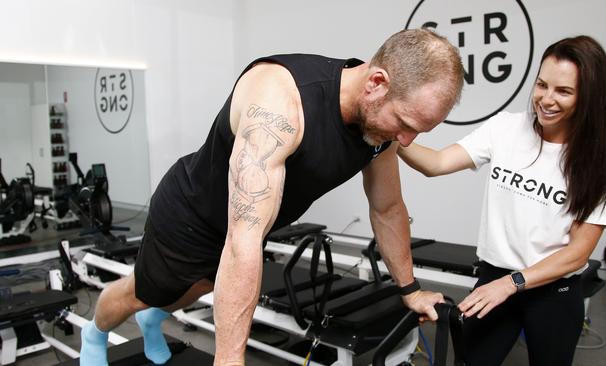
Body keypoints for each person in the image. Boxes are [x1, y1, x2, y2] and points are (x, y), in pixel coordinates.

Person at [79, 28, 464, 366]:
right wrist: (230, 359)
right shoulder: (281, 103)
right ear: (376, 83)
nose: (408, 141)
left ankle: (155, 316)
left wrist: (410, 290)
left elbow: (387, 207)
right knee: (141, 294)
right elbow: (241, 241)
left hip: (241, 229)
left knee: (200, 286)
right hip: (189, 215)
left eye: (420, 132)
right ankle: (94, 333)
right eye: (406, 124)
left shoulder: (379, 127)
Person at [398, 35, 606, 366]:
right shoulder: (506, 128)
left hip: (552, 293)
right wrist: (389, 133)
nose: (546, 99)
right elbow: (437, 163)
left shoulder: (600, 162)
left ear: (588, 97)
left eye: (563, 91)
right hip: (494, 278)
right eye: (542, 85)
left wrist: (514, 283)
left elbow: (578, 252)